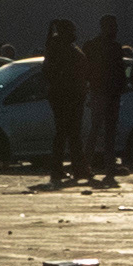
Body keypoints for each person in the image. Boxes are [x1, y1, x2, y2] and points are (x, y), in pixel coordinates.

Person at [40, 18, 88, 180]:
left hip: (64, 94)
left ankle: (60, 168)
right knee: (71, 133)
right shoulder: (62, 49)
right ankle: (77, 168)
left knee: (64, 132)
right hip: (68, 94)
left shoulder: (55, 48)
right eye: (72, 31)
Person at [82, 14, 126, 179]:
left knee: (98, 130)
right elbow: (120, 71)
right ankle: (106, 167)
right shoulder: (113, 46)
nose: (115, 30)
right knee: (107, 131)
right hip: (106, 93)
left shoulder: (92, 45)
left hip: (101, 92)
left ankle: (87, 165)